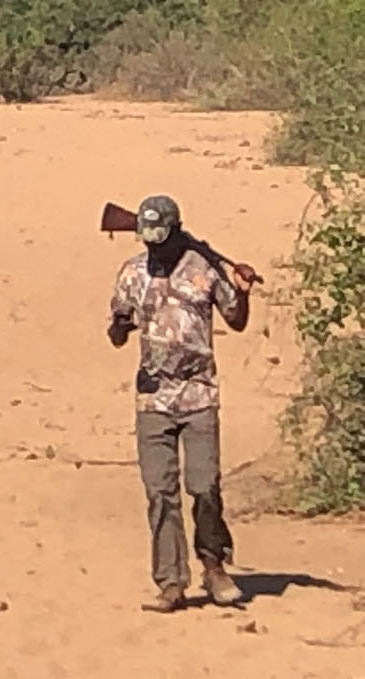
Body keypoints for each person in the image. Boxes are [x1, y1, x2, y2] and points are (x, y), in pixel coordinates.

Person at [107, 194, 253, 613]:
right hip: (152, 399)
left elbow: (236, 320)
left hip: (199, 395)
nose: (154, 247)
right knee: (160, 493)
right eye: (147, 239)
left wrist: (243, 292)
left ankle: (214, 566)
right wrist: (120, 326)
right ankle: (171, 582)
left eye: (160, 238)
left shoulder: (204, 268)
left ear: (176, 232)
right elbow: (116, 335)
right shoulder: (132, 272)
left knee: (204, 487)